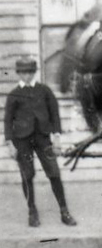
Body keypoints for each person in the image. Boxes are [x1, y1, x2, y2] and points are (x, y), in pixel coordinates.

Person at [6, 55, 76, 228]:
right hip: (22, 140)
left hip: (43, 138)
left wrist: (57, 138)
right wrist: (9, 144)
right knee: (27, 175)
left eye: (30, 72)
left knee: (54, 173)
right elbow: (8, 120)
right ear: (18, 74)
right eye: (23, 73)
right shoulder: (14, 95)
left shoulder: (44, 90)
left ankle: (64, 211)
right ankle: (32, 211)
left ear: (34, 72)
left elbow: (54, 114)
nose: (27, 76)